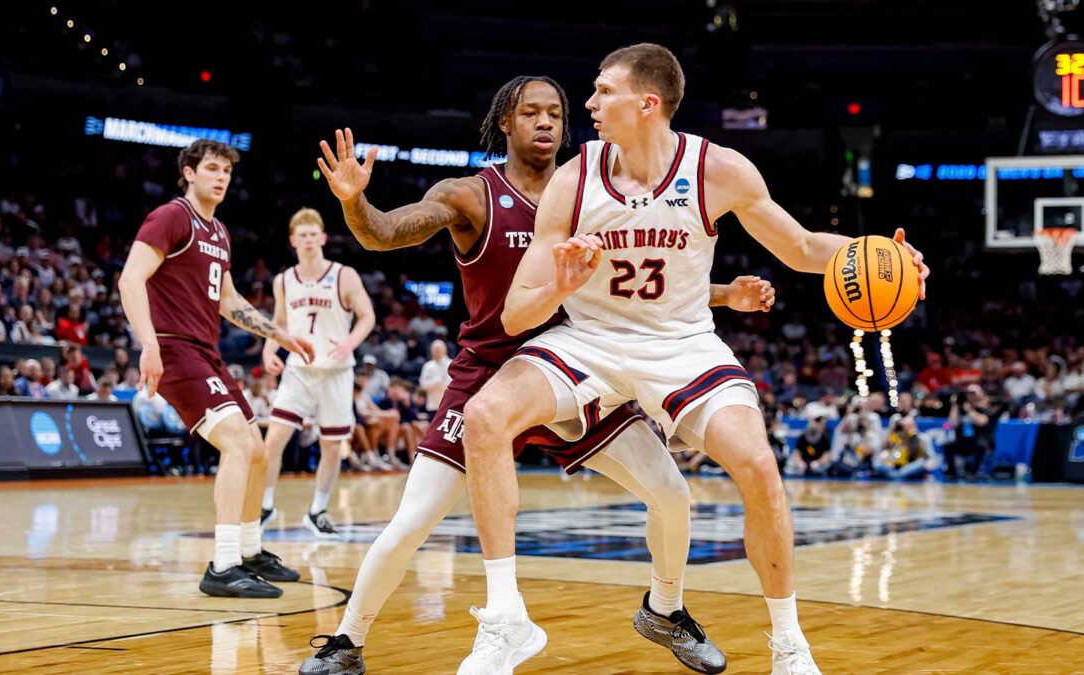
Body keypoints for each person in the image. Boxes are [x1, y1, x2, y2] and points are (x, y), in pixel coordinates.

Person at [457, 44, 928, 675]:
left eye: (604, 91)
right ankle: (505, 619)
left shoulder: (717, 169)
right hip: (591, 339)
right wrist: (560, 287)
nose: (589, 103)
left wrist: (885, 256)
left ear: (647, 104)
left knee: (759, 467)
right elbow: (517, 316)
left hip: (682, 344)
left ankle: (789, 646)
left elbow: (801, 247)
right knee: (485, 417)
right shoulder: (573, 179)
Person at [300, 76, 774, 675]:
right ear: (506, 122)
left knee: (672, 494)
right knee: (413, 519)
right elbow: (385, 233)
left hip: (578, 368)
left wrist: (726, 295)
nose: (545, 122)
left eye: (555, 113)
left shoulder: (588, 191)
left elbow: (634, 283)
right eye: (530, 113)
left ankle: (666, 609)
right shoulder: (471, 195)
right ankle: (347, 642)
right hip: (489, 376)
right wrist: (354, 203)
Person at [119, 139, 313, 599]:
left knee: (257, 449)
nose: (221, 177)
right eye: (211, 168)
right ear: (189, 173)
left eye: (226, 170)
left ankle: (248, 551)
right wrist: (149, 344)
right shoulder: (171, 217)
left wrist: (279, 334)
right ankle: (223, 565)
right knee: (237, 443)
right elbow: (130, 279)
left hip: (206, 351)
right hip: (175, 348)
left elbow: (228, 300)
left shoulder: (219, 232)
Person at [260, 208, 376, 538]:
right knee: (274, 438)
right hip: (299, 371)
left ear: (323, 238)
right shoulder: (283, 281)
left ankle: (318, 511)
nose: (309, 240)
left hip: (336, 372)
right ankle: (265, 504)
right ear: (293, 241)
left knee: (332, 445)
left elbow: (367, 316)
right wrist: (269, 351)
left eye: (314, 234)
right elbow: (279, 323)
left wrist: (350, 342)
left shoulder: (344, 275)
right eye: (303, 235)